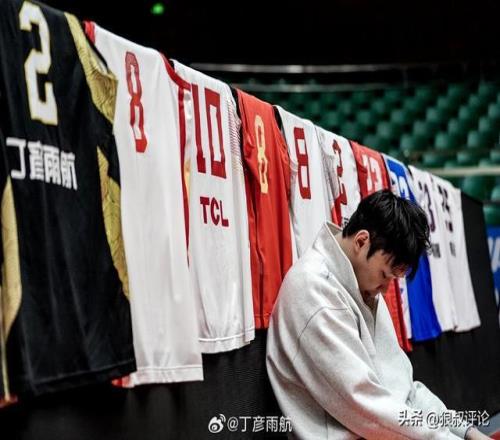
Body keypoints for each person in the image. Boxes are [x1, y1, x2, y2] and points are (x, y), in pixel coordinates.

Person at [266, 189, 490, 439]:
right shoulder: (314, 291)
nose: (385, 288)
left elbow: (405, 390)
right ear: (361, 241)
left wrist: (467, 431)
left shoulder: (363, 286)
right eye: (384, 274)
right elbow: (370, 409)